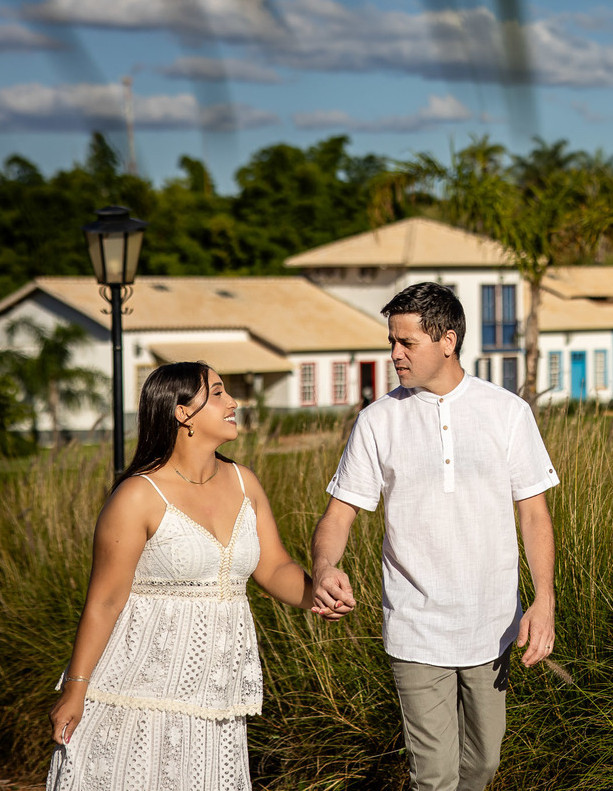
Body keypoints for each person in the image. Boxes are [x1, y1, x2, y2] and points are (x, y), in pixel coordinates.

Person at [310, 282, 558, 791]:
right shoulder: (377, 421)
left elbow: (534, 513)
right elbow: (339, 514)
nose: (395, 354)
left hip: (493, 624)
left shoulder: (507, 412)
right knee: (435, 775)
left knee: (483, 763)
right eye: (391, 342)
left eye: (407, 342)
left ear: (448, 341)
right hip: (415, 626)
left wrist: (544, 599)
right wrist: (324, 566)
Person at [47, 361, 313, 790]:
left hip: (215, 697)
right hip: (136, 694)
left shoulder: (244, 482)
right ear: (182, 412)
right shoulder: (138, 495)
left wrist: (320, 594)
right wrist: (75, 689)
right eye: (219, 393)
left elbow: (274, 566)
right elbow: (105, 601)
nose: (233, 402)